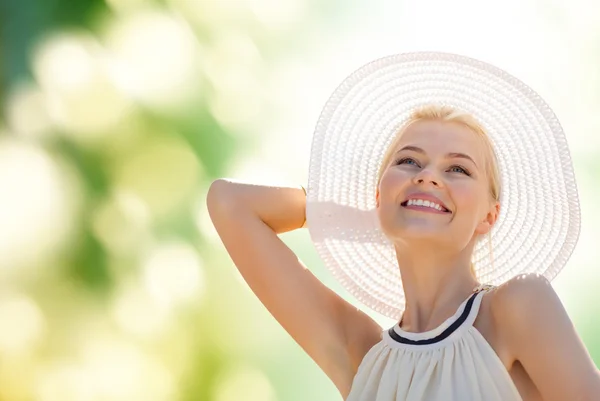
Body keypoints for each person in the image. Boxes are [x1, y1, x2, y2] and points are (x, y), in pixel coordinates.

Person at [206, 52, 600, 400]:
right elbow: (229, 203)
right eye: (409, 161)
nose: (428, 176)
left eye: (458, 168)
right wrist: (361, 214)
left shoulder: (518, 306)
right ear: (378, 194)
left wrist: (407, 205)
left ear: (489, 216)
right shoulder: (361, 356)